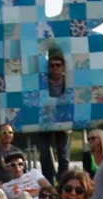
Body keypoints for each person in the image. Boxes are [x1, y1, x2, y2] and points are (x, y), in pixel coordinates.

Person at [26, 50, 72, 182]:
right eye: (52, 65)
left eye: (58, 65)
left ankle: (63, 182)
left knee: (63, 156)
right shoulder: (42, 81)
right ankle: (48, 182)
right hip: (44, 120)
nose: (55, 68)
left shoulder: (69, 81)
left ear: (63, 66)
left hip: (63, 121)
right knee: (44, 152)